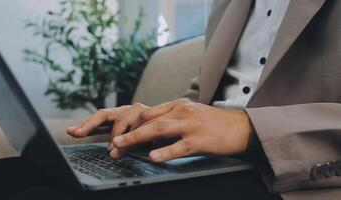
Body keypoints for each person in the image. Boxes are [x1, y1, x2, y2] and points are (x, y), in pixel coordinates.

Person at [66, 0, 341, 199]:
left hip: (295, 180)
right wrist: (151, 119)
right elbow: (205, 96)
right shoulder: (226, 6)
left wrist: (249, 127)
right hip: (207, 163)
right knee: (39, 176)